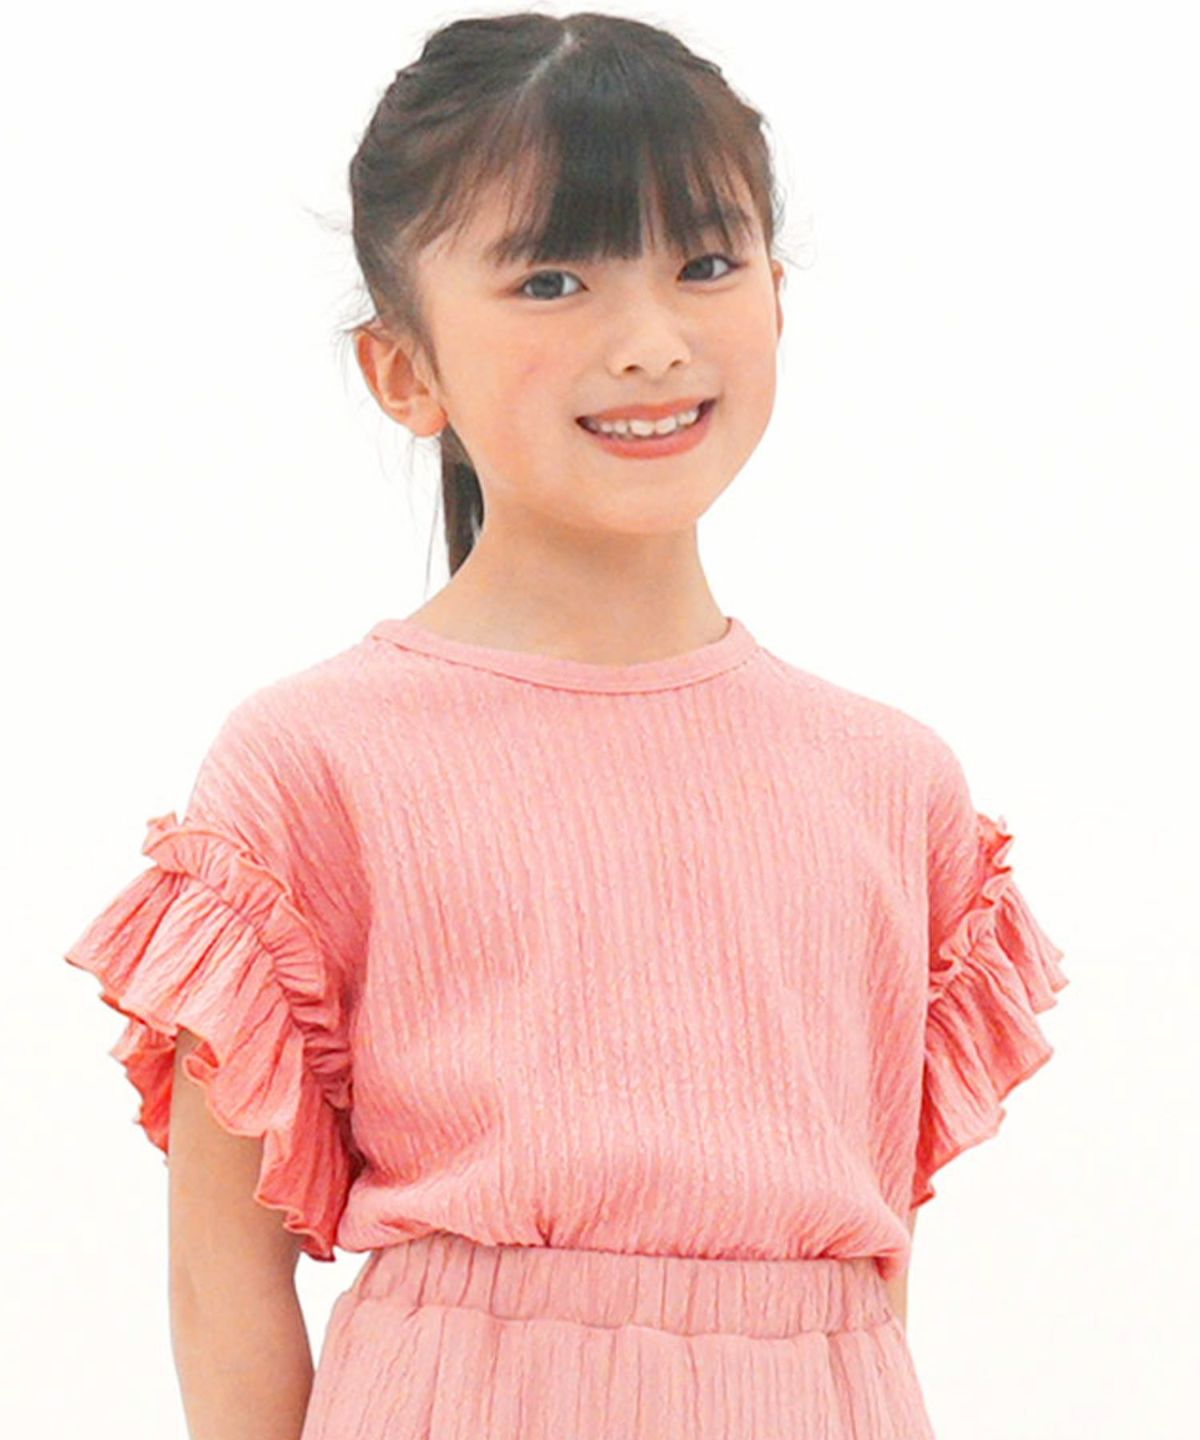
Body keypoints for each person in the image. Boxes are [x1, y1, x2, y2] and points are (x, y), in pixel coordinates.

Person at [62, 11, 1069, 1438]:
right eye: (551, 279)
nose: (650, 342)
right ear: (404, 370)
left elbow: (866, 1271)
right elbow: (223, 1278)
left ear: (778, 298)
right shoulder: (318, 761)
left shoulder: (890, 782)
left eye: (705, 264)